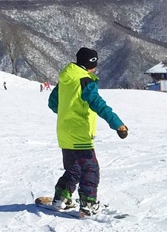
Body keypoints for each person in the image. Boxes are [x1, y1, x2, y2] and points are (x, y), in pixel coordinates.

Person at [47, 47, 128, 216]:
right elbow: (98, 104)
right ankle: (89, 203)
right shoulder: (85, 81)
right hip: (80, 133)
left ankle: (61, 198)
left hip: (64, 133)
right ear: (91, 64)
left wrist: (68, 114)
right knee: (90, 169)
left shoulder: (66, 79)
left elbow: (53, 103)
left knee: (73, 169)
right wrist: (118, 124)